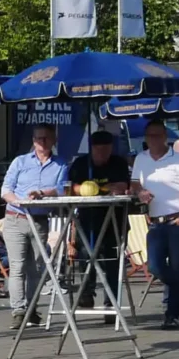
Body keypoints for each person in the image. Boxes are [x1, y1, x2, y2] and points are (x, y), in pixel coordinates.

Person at [132, 122, 179, 331]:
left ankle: (172, 315)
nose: (153, 139)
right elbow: (134, 183)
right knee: (155, 266)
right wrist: (140, 192)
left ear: (164, 137)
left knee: (178, 268)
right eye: (150, 136)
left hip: (178, 219)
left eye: (157, 135)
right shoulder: (141, 158)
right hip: (155, 221)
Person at [65, 130, 130, 309]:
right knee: (86, 254)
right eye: (98, 150)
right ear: (92, 148)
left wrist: (99, 188)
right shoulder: (81, 164)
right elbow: (71, 187)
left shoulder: (118, 163)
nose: (102, 154)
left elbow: (121, 186)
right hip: (88, 217)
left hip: (114, 219)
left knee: (112, 258)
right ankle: (86, 292)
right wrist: (87, 188)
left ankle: (111, 301)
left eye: (106, 150)